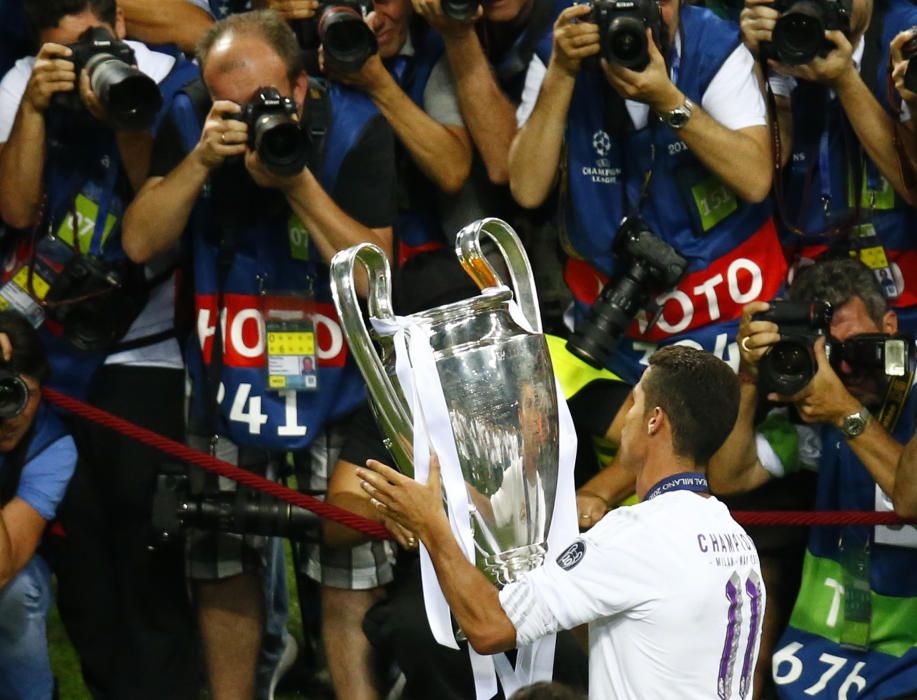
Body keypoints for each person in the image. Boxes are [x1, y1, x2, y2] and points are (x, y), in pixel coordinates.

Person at [122, 10, 395, 700]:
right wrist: (200, 160)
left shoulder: (358, 124)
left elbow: (374, 277)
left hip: (341, 372)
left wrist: (296, 180)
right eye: (231, 107)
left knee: (349, 559)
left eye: (266, 103)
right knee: (221, 559)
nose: (251, 119)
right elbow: (139, 242)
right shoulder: (187, 118)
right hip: (229, 365)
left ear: (302, 85)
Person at [358, 345, 765, 699]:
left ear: (655, 421)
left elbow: (489, 628)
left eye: (635, 404)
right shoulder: (734, 537)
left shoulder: (636, 537)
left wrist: (430, 525)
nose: (626, 419)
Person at [0, 1, 202, 697]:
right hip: (56, 353)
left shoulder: (169, 81)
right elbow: (16, 209)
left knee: (151, 548)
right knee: (82, 559)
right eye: (67, 48)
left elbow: (153, 226)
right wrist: (31, 109)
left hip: (146, 347)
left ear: (120, 19)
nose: (87, 57)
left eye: (96, 38)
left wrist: (127, 115)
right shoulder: (22, 84)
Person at [509, 0, 783, 385]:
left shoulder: (714, 45)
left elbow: (755, 178)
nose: (642, 15)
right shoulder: (561, 50)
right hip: (610, 326)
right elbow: (526, 188)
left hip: (724, 316)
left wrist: (669, 99)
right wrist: (562, 73)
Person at [710, 257, 917, 698]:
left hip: (907, 654)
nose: (844, 372)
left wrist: (845, 412)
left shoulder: (852, 406)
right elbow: (729, 476)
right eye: (833, 355)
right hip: (816, 651)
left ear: (891, 325)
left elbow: (913, 498)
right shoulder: (818, 418)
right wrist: (750, 375)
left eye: (860, 347)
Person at [741, 0, 917, 332]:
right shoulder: (784, 37)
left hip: (906, 298)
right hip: (806, 292)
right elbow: (762, 171)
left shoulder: (905, 41)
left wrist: (844, 78)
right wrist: (761, 67)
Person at [0, 310, 77, 700]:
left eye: (17, 394)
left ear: (42, 387)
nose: (8, 416)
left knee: (15, 592)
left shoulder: (53, 447)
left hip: (11, 564)